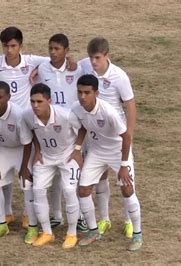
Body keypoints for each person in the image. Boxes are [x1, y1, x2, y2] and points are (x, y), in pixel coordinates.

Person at [71, 74, 142, 251]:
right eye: (79, 92)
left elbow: (126, 137)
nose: (82, 96)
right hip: (97, 151)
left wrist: (124, 165)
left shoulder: (108, 111)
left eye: (87, 92)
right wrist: (77, 149)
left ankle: (137, 235)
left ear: (96, 93)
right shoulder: (77, 108)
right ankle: (93, 231)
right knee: (83, 190)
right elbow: (83, 126)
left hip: (118, 151)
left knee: (127, 189)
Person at [0, 26, 49, 227]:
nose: (9, 50)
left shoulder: (32, 61)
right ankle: (7, 212)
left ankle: (27, 213)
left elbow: (55, 60)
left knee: (28, 171)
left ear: (20, 46)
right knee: (2, 171)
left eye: (13, 46)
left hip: (26, 122)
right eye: (6, 46)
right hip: (4, 122)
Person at [78, 37, 137, 238]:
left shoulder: (120, 76)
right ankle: (104, 219)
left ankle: (129, 222)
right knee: (100, 178)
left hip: (117, 135)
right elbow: (69, 67)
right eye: (90, 57)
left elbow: (130, 105)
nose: (93, 62)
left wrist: (129, 132)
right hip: (96, 137)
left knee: (126, 183)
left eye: (97, 58)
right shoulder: (85, 66)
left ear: (106, 56)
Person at [35, 33, 87, 231]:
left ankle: (80, 215)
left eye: (57, 49)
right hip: (51, 124)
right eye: (50, 48)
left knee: (74, 171)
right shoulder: (42, 68)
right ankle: (56, 215)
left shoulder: (78, 68)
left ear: (66, 50)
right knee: (54, 174)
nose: (53, 52)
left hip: (72, 123)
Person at [23, 83, 82, 248]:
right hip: (45, 158)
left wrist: (77, 151)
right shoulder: (28, 116)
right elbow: (32, 131)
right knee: (38, 190)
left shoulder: (66, 115)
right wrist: (38, 150)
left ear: (49, 100)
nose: (35, 106)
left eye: (39, 102)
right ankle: (47, 232)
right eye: (32, 101)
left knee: (70, 190)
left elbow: (82, 130)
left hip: (67, 156)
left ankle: (72, 233)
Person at [0, 81, 37, 244]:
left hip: (21, 150)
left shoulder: (19, 114)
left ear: (8, 97)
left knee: (27, 184)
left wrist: (25, 167)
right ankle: (2, 224)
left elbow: (27, 143)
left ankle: (32, 226)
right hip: (2, 148)